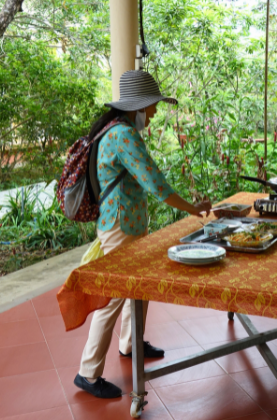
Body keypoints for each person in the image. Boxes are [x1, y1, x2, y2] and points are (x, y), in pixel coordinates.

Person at [73, 69, 212, 398]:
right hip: (121, 226)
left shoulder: (114, 130)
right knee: (116, 295)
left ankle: (130, 343)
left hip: (128, 223)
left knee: (138, 287)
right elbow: (156, 184)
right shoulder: (122, 136)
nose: (154, 112)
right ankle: (87, 372)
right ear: (136, 107)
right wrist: (195, 209)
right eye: (151, 106)